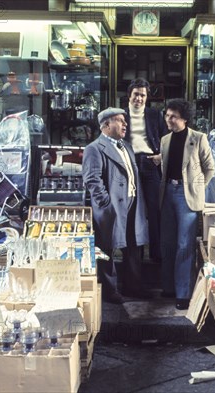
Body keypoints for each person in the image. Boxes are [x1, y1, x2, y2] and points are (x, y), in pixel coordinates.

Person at [82, 107, 150, 304]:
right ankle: (109, 291)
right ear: (106, 125)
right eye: (120, 120)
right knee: (106, 248)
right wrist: (106, 204)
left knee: (134, 246)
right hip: (111, 208)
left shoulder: (126, 146)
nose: (125, 124)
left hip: (132, 204)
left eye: (124, 121)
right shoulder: (94, 148)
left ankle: (133, 287)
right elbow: (92, 180)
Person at [159, 99, 215, 310]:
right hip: (167, 194)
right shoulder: (164, 140)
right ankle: (168, 288)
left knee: (185, 245)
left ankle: (183, 294)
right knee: (167, 243)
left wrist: (197, 187)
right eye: (167, 115)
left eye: (173, 116)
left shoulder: (199, 138)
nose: (168, 119)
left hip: (187, 196)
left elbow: (210, 168)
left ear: (184, 118)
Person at [123, 78, 167, 263]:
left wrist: (160, 157)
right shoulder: (121, 115)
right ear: (129, 95)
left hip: (150, 162)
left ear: (147, 97)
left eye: (142, 95)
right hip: (129, 163)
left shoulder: (154, 115)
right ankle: (135, 256)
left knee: (155, 210)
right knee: (132, 210)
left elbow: (167, 138)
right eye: (136, 94)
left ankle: (156, 254)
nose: (139, 99)